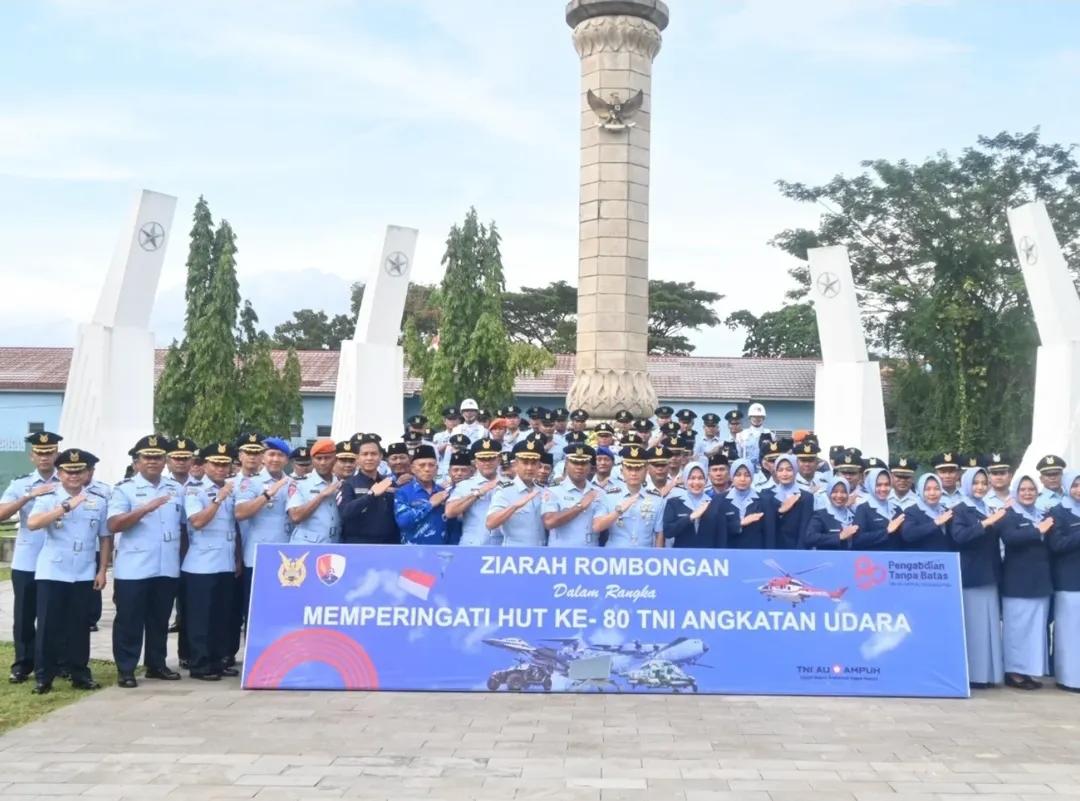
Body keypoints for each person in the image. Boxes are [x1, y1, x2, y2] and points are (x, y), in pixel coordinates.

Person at [23, 448, 110, 694]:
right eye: (68, 471)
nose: (73, 476)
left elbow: (105, 538)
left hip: (83, 571)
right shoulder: (50, 497)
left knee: (79, 626)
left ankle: (80, 673)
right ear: (59, 473)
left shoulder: (98, 499)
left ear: (86, 473)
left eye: (78, 471)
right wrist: (65, 507)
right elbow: (32, 523)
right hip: (53, 571)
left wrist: (102, 569)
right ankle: (44, 677)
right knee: (49, 627)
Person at [107, 434, 185, 688]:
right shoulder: (124, 489)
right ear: (137, 462)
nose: (153, 461)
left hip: (166, 566)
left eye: (158, 457)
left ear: (165, 461)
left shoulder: (176, 489)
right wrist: (143, 509)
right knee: (129, 621)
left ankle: (156, 664)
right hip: (134, 569)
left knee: (159, 619)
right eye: (147, 457)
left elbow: (184, 528)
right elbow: (114, 523)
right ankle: (126, 669)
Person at [0, 431, 62, 684]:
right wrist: (28, 496)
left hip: (58, 559)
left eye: (50, 452)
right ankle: (23, 664)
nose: (45, 457)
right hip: (28, 559)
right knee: (25, 615)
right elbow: (2, 514)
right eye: (40, 453)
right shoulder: (20, 484)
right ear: (32, 456)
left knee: (54, 615)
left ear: (57, 454)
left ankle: (52, 663)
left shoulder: (67, 481)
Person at [181, 442, 241, 681]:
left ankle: (217, 660)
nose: (220, 468)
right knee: (201, 618)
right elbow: (197, 521)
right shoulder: (195, 491)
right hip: (201, 563)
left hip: (225, 561)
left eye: (225, 464)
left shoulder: (232, 489)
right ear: (205, 465)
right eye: (216, 464)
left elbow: (234, 527)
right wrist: (217, 499)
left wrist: (237, 558)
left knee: (221, 616)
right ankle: (200, 664)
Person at [232, 435, 291, 660]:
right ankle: (254, 658)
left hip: (286, 556)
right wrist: (268, 494)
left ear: (286, 459)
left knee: (282, 609)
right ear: (263, 458)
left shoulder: (292, 482)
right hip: (258, 556)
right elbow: (240, 513)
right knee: (255, 611)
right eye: (271, 454)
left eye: (280, 455)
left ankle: (282, 655)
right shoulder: (252, 483)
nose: (275, 459)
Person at [950, 465, 1007, 689]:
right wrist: (986, 523)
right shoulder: (960, 509)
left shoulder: (988, 507)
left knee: (989, 626)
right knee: (974, 628)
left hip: (989, 575)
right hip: (971, 576)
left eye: (984, 483)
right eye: (976, 483)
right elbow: (960, 537)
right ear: (966, 484)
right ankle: (974, 674)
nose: (981, 487)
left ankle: (988, 674)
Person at [999, 472, 1055, 690]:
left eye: (1031, 489)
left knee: (1035, 630)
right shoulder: (1008, 515)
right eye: (1023, 489)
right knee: (1016, 630)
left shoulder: (1043, 514)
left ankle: (1029, 671)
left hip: (1040, 580)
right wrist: (1036, 530)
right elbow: (1010, 539)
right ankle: (1014, 672)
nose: (1027, 493)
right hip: (1017, 582)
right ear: (1015, 492)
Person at [592, 445, 664, 549]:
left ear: (646, 470)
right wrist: (618, 511)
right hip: (615, 556)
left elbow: (659, 534)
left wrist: (658, 559)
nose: (633, 473)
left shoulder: (656, 498)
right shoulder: (608, 496)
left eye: (638, 468)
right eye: (629, 468)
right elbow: (597, 526)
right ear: (622, 471)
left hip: (644, 556)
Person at [1048, 470, 1080, 692]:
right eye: (1075, 485)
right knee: (1069, 632)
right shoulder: (1058, 512)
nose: (1079, 490)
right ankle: (1068, 678)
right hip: (1069, 580)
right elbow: (1056, 545)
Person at [336, 434, 399, 544]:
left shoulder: (389, 483)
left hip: (387, 545)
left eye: (373, 454)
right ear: (357, 458)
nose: (369, 458)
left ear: (380, 457)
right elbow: (345, 513)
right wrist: (371, 495)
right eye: (365, 454)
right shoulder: (348, 484)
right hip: (358, 544)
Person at [486, 439, 546, 546]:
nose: (529, 468)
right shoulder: (505, 490)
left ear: (539, 466)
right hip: (514, 554)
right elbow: (490, 523)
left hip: (541, 554)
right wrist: (514, 506)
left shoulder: (543, 490)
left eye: (533, 463)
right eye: (525, 463)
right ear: (515, 465)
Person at [540, 444, 603, 547]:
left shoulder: (599, 492)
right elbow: (549, 522)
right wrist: (579, 506)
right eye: (575, 462)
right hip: (562, 555)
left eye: (583, 463)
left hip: (590, 555)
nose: (579, 467)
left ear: (590, 466)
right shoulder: (553, 491)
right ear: (566, 463)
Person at [663, 462, 737, 548]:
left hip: (708, 557)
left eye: (700, 478)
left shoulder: (715, 503)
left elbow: (721, 536)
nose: (696, 482)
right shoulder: (673, 503)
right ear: (685, 480)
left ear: (706, 480)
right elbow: (668, 532)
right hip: (682, 558)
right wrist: (690, 517)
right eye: (692, 478)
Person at [445, 438, 503, 546]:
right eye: (482, 459)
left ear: (499, 459)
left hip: (502, 546)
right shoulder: (465, 485)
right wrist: (478, 493)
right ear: (475, 462)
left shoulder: (510, 484)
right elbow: (450, 512)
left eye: (491, 458)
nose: (487, 463)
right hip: (472, 545)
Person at [287, 438, 341, 544]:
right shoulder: (300, 483)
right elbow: (295, 516)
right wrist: (321, 496)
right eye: (318, 458)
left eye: (327, 458)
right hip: (306, 545)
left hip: (333, 544)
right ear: (312, 460)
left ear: (335, 459)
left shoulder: (339, 482)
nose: (323, 462)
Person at [393, 445, 449, 544]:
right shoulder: (403, 492)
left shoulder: (443, 492)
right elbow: (403, 522)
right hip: (412, 551)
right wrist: (429, 504)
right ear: (413, 469)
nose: (427, 469)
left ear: (437, 469)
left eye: (431, 465)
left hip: (441, 550)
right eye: (422, 465)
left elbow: (452, 525)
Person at [762, 454, 812, 550]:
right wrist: (779, 512)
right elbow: (766, 529)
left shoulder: (806, 497)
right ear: (776, 472)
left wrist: (799, 554)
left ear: (795, 470)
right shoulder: (766, 495)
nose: (784, 474)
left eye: (789, 470)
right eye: (780, 470)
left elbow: (804, 529)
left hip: (796, 551)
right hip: (772, 550)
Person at [852, 467, 905, 550]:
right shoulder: (863, 509)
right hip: (873, 560)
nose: (883, 489)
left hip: (894, 560)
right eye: (878, 485)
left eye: (887, 484)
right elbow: (858, 539)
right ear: (871, 485)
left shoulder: (896, 509)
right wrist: (886, 531)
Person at [801, 476, 859, 549]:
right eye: (835, 492)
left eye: (843, 492)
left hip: (852, 559)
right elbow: (810, 538)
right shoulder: (820, 515)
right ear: (828, 493)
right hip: (828, 559)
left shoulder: (854, 516)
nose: (839, 495)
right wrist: (839, 537)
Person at [900, 474, 954, 552]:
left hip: (944, 561)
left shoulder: (945, 511)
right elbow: (908, 535)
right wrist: (935, 523)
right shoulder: (912, 511)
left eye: (937, 489)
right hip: (923, 562)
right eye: (927, 489)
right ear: (921, 491)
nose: (932, 493)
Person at [735, 403, 771, 471]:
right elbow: (739, 456)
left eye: (759, 416)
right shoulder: (741, 435)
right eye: (754, 416)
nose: (757, 419)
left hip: (765, 471)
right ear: (749, 417)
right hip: (747, 471)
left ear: (763, 418)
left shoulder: (770, 434)